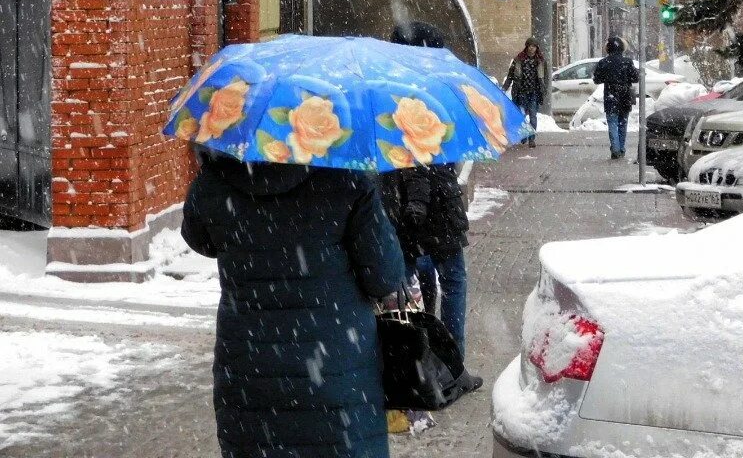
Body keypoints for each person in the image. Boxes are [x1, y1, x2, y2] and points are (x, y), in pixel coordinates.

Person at [182, 151, 404, 458]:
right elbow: (385, 277)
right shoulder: (346, 180)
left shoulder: (215, 182)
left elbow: (199, 239)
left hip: (250, 370)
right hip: (336, 369)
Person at [380, 164, 482, 394]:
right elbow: (421, 162)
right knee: (451, 283)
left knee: (401, 290)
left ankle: (407, 367)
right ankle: (452, 369)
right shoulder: (428, 131)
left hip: (402, 202)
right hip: (436, 206)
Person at [593, 36, 639, 160]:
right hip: (624, 95)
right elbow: (635, 78)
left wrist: (608, 77)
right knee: (622, 124)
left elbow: (597, 80)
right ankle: (622, 149)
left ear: (608, 48)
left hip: (610, 95)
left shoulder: (603, 62)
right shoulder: (628, 62)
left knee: (612, 123)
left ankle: (615, 149)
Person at [502, 38, 547, 148]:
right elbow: (510, 76)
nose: (532, 48)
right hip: (520, 92)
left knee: (533, 116)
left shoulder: (540, 61)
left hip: (534, 92)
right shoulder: (518, 59)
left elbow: (544, 78)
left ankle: (531, 138)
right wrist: (504, 88)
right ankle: (523, 134)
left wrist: (543, 89)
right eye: (530, 46)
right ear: (527, 46)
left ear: (537, 48)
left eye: (534, 46)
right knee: (521, 115)